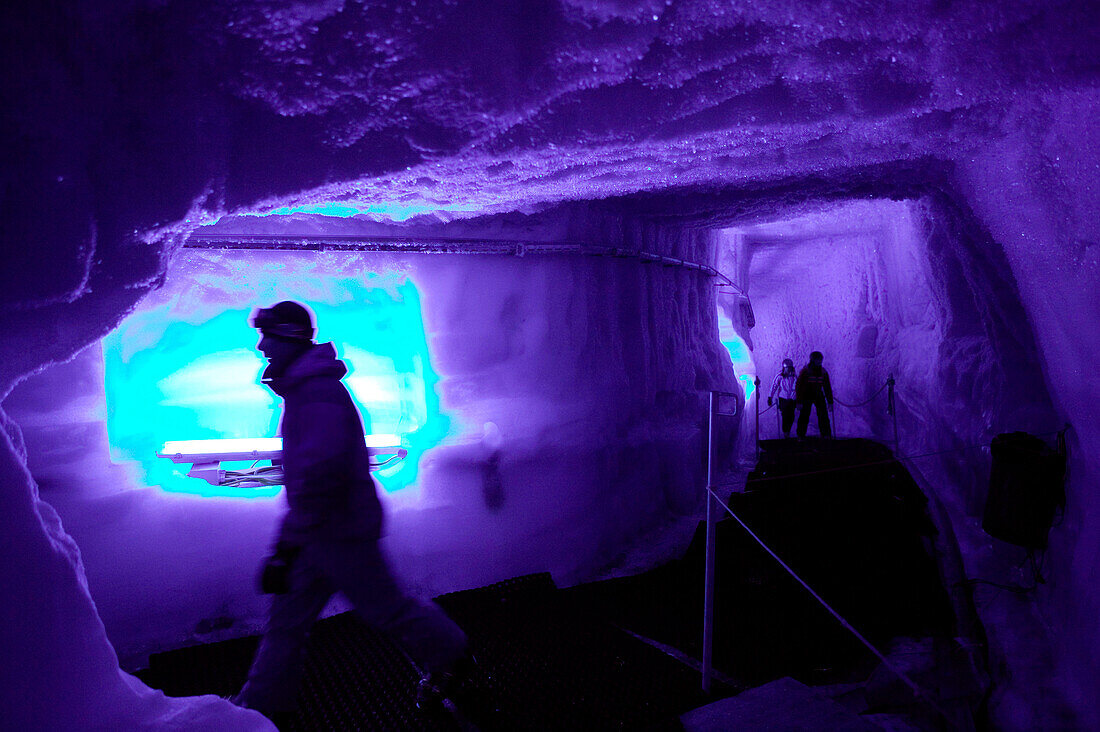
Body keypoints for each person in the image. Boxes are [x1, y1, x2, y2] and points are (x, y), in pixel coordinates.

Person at [233, 301, 468, 720]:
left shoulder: (316, 394)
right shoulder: (308, 389)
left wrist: (287, 547)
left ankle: (451, 654)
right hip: (320, 533)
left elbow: (319, 476)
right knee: (288, 626)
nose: (262, 346)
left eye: (269, 336)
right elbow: (313, 480)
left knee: (387, 611)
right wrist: (291, 544)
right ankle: (257, 712)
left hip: (339, 535)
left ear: (288, 338)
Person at [795, 351, 833, 439]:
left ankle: (826, 434)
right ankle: (800, 435)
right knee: (804, 415)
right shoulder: (805, 371)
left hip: (818, 394)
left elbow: (827, 387)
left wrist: (830, 401)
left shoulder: (823, 372)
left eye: (820, 360)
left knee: (823, 415)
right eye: (818, 360)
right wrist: (799, 401)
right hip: (806, 395)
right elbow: (799, 387)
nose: (820, 362)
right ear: (813, 360)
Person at [767, 358, 798, 438]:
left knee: (791, 416)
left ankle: (788, 431)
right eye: (787, 368)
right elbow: (774, 386)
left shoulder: (794, 377)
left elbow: (796, 387)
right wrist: (770, 396)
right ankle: (785, 432)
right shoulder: (780, 376)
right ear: (784, 368)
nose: (788, 370)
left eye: (790, 368)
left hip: (792, 399)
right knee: (785, 416)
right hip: (783, 399)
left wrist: (793, 397)